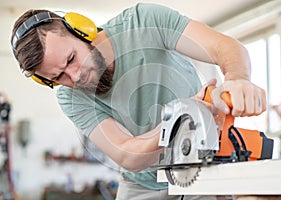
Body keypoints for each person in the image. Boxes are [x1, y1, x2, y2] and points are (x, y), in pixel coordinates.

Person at [10, 3, 266, 200]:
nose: (75, 76)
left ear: (81, 29)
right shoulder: (69, 97)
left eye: (70, 59)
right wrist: (178, 117)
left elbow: (224, 47)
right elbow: (127, 153)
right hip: (143, 184)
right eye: (58, 77)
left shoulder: (142, 22)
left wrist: (237, 77)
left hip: (203, 167)